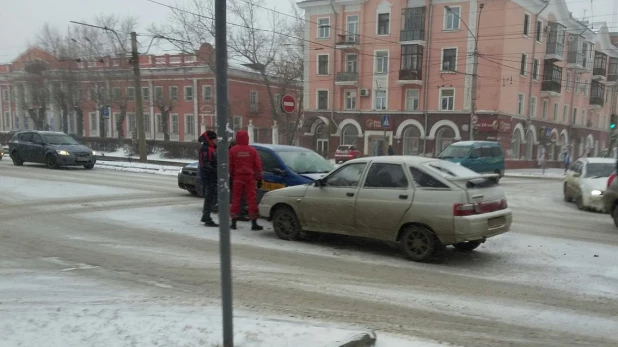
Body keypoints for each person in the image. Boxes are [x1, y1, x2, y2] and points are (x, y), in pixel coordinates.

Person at [229, 130, 263, 231]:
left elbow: (230, 166)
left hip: (237, 178)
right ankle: (254, 223)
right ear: (247, 138)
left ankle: (234, 223)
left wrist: (230, 177)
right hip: (249, 178)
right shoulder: (252, 150)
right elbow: (258, 165)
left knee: (236, 200)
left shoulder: (233, 150)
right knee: (251, 200)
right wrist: (259, 178)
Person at [199, 130, 218, 227]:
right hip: (209, 176)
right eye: (215, 139)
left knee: (211, 196)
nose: (216, 141)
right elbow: (206, 164)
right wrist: (216, 171)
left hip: (210, 176)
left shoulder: (210, 148)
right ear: (210, 139)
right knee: (210, 197)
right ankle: (206, 217)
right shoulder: (206, 148)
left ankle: (206, 216)